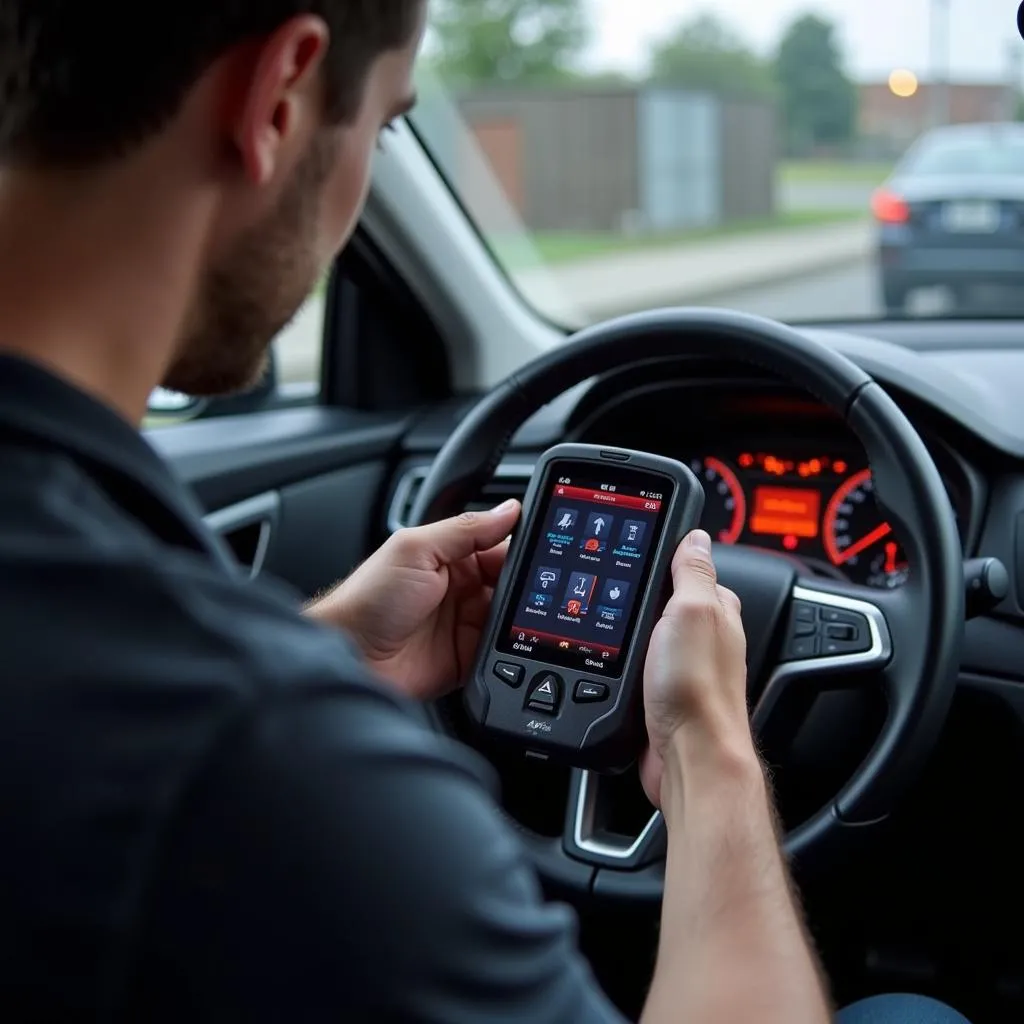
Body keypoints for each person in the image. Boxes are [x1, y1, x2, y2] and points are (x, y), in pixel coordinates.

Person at [0, 3, 971, 1022]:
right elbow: (209, 740)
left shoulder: (182, 694)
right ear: (278, 97)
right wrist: (708, 749)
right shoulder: (264, 760)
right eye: (381, 129)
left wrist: (326, 653)